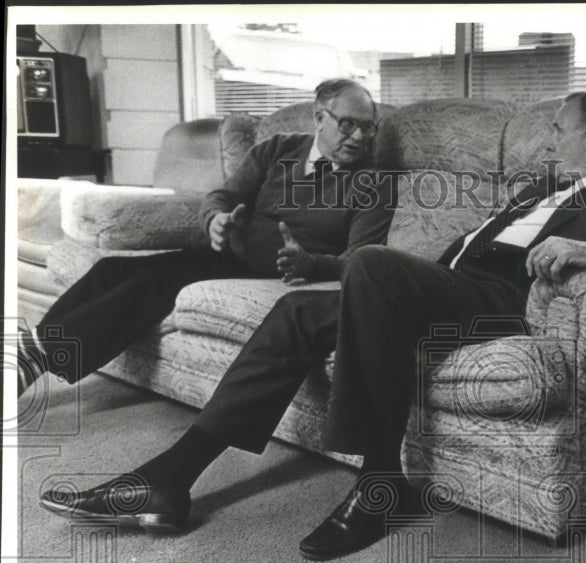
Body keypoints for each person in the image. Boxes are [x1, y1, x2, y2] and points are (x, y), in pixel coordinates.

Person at [40, 91, 586, 562]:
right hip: (454, 288)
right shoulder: (536, 190)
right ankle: (170, 479)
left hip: (501, 299)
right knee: (299, 309)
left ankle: (381, 479)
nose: (549, 139)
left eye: (559, 129)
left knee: (374, 265)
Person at [17, 78, 394, 397]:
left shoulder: (373, 183)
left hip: (277, 269)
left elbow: (359, 259)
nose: (359, 137)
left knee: (154, 282)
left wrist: (312, 264)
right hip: (230, 252)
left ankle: (35, 356)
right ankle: (33, 351)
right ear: (319, 118)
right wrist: (214, 217)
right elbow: (225, 196)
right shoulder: (277, 148)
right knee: (113, 268)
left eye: (368, 126)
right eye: (348, 124)